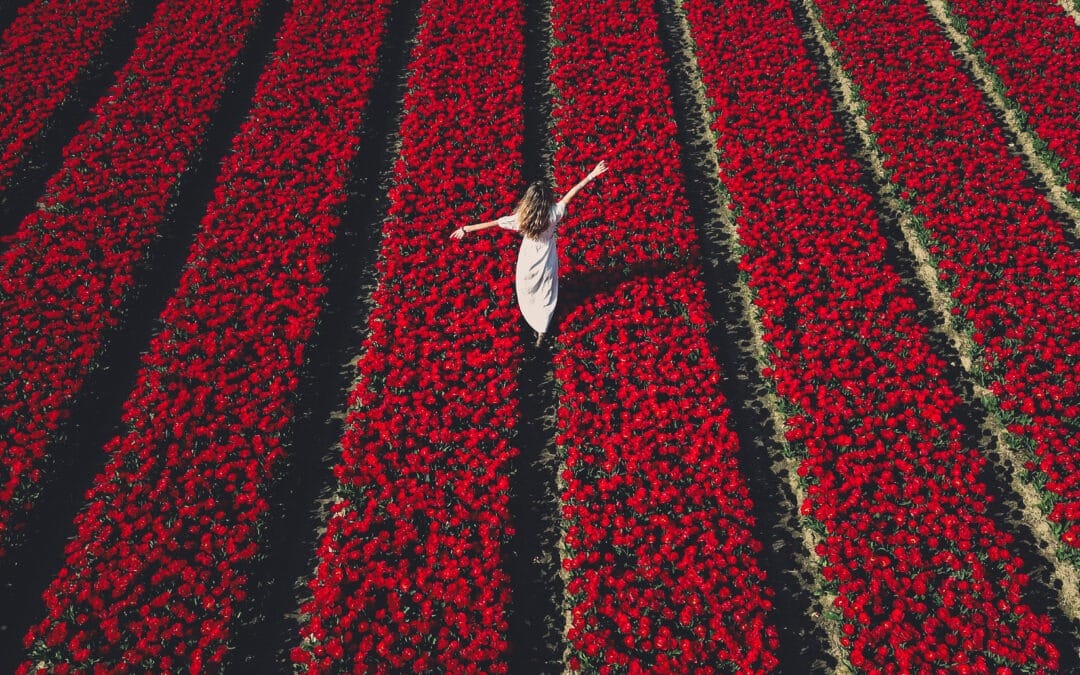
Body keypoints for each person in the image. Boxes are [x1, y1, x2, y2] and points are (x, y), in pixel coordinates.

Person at [451, 160, 609, 347]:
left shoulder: (520, 219)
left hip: (528, 257)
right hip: (546, 257)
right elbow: (570, 194)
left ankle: (531, 318)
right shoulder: (554, 213)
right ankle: (543, 329)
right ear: (547, 199)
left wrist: (466, 228)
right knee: (546, 291)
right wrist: (591, 174)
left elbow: (493, 223)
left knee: (529, 289)